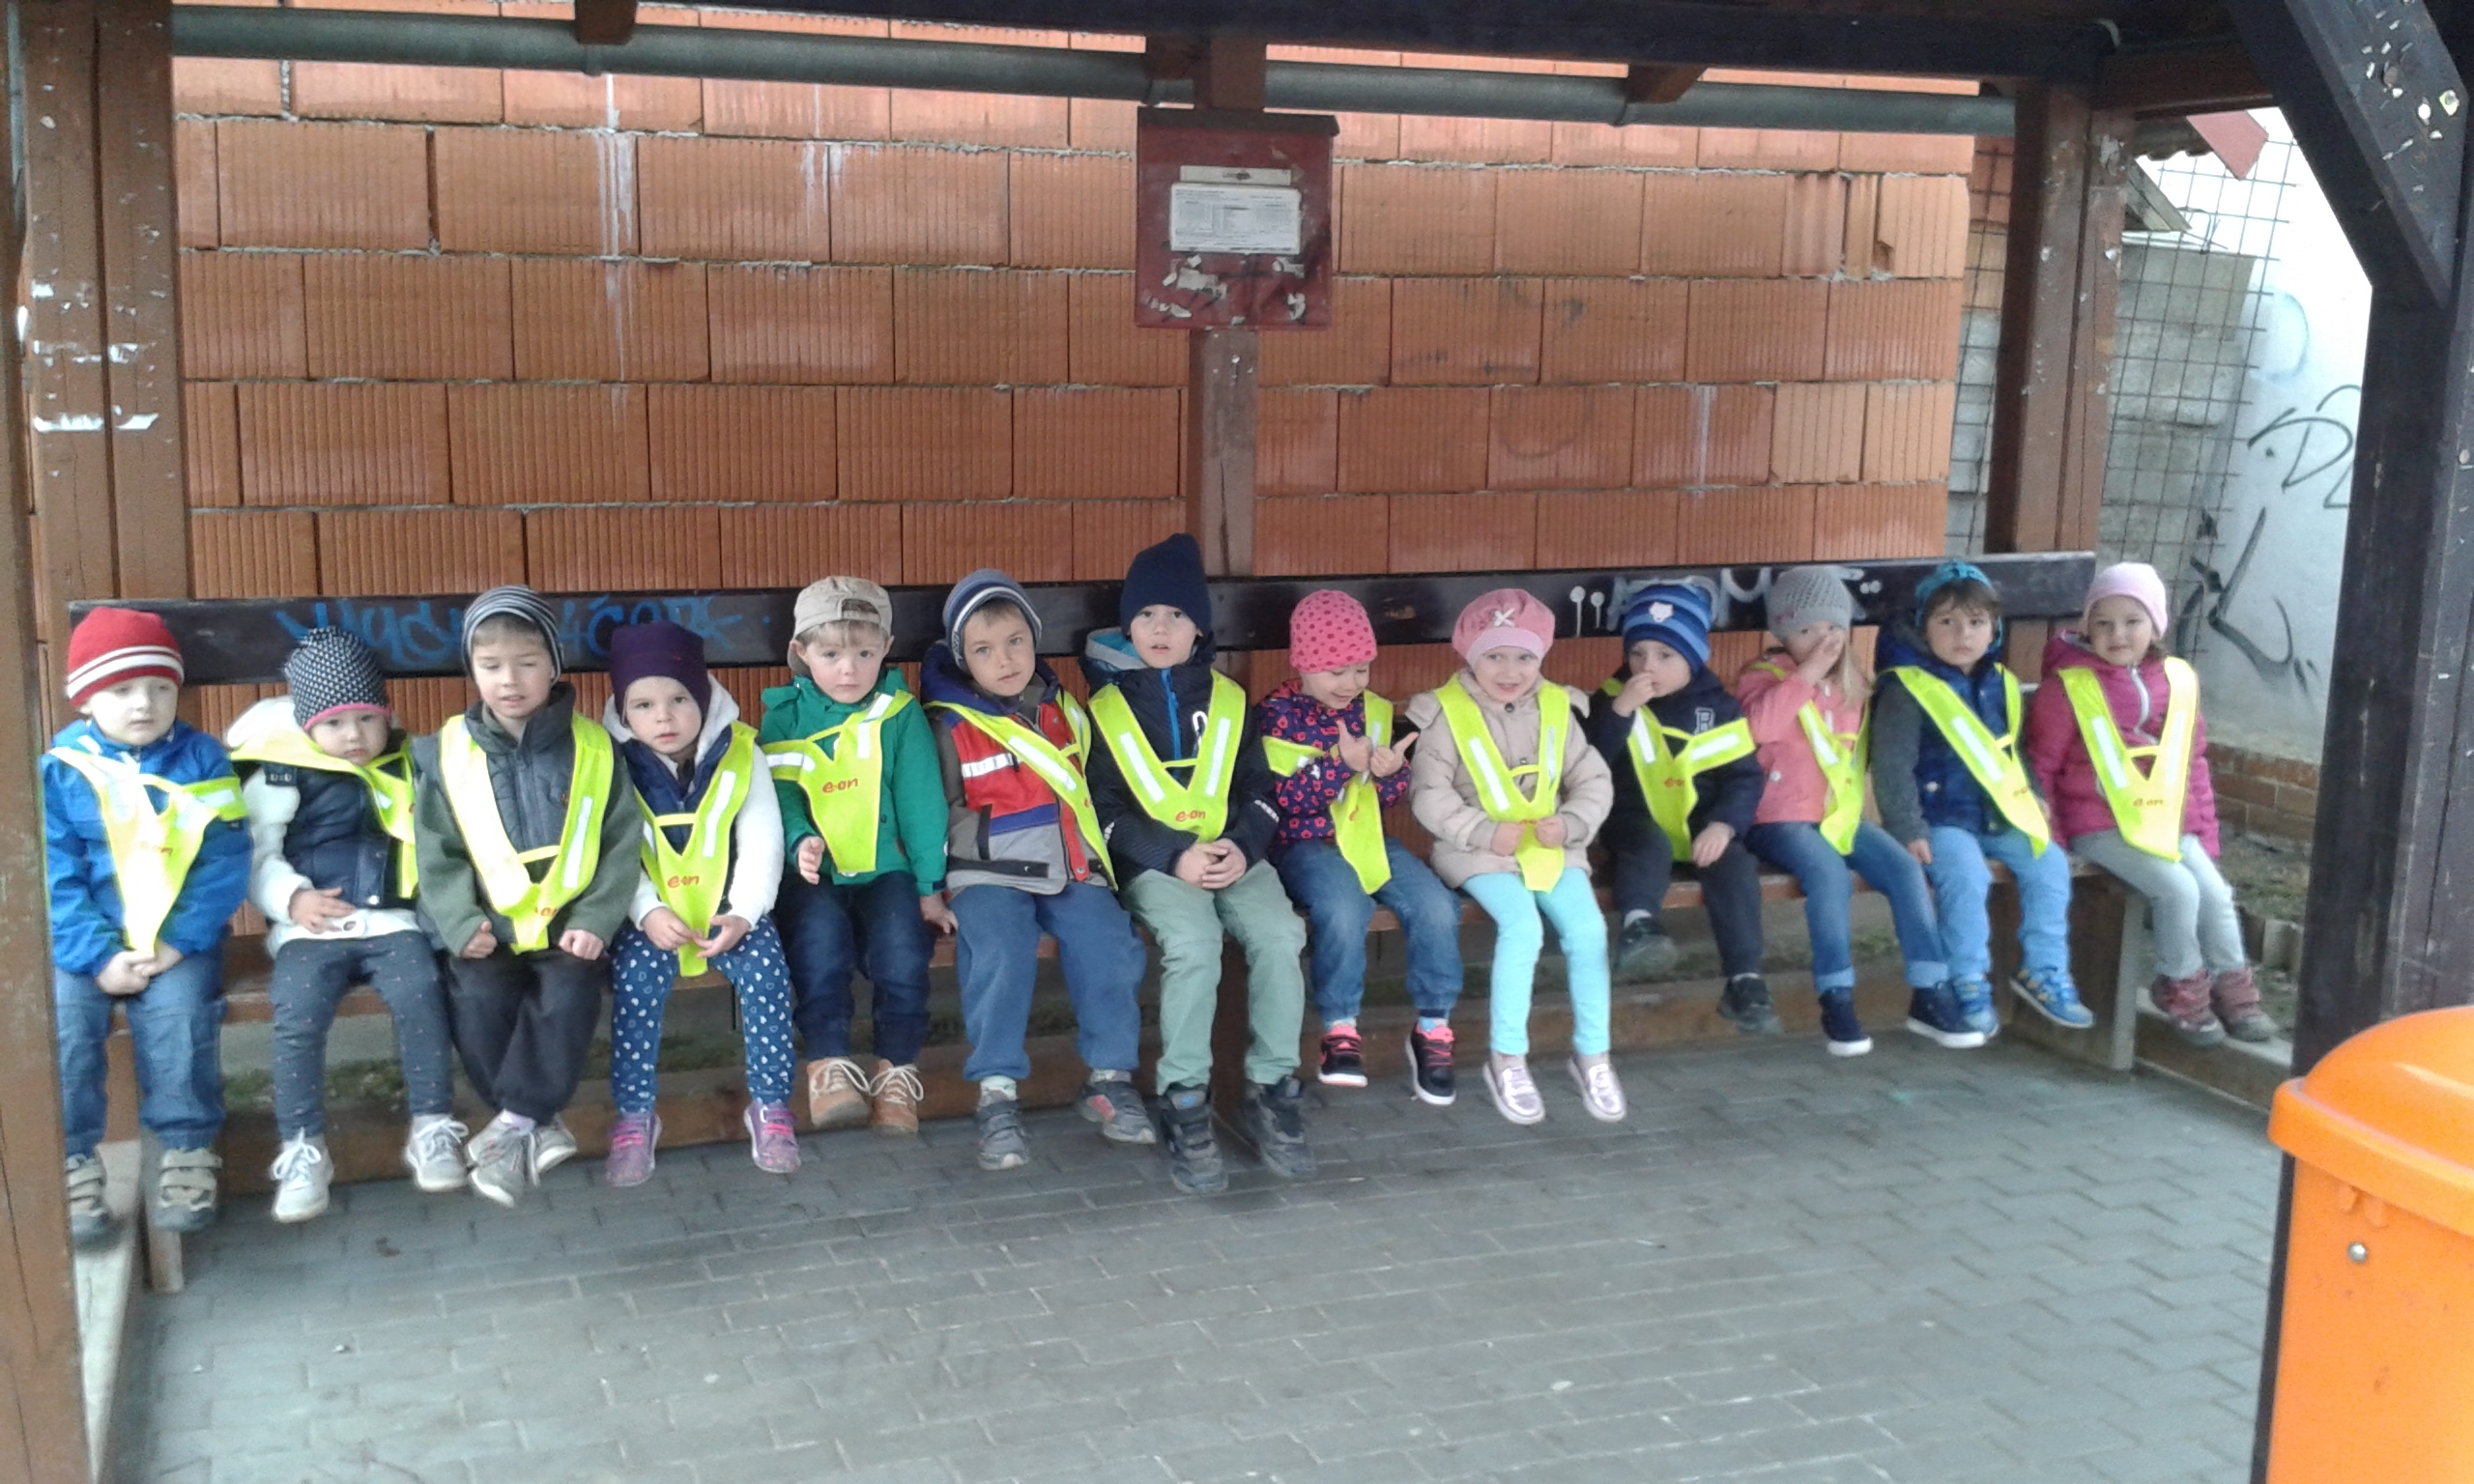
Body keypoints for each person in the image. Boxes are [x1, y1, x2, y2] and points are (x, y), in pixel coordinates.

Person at [1084, 534, 1310, 1195]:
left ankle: (1273, 1086)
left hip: (1234, 855)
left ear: (1200, 628)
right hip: (1157, 866)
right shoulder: (1103, 712)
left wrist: (1244, 845)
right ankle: (1184, 1098)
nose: (1161, 629)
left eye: (1178, 615)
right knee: (1194, 944)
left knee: (1280, 935)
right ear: (1128, 627)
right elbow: (1101, 812)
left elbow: (1261, 793)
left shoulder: (1232, 701)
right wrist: (1172, 856)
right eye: (1147, 615)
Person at [414, 586, 643, 1207]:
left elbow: (622, 842)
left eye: (527, 663)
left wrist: (597, 918)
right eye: (490, 666)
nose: (509, 681)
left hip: (571, 927)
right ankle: (532, 1123)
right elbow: (436, 851)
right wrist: (459, 921)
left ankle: (514, 1126)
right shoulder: (446, 754)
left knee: (568, 994)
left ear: (554, 667)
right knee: (476, 997)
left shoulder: (595, 748)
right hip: (488, 928)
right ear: (472, 670)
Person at [921, 570, 1154, 1172]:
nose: (1004, 660)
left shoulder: (1063, 711)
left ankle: (1109, 1078)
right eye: (983, 650)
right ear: (962, 659)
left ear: (1034, 640)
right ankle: (996, 1092)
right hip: (987, 873)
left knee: (1110, 942)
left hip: (1069, 866)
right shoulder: (949, 724)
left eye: (1015, 642)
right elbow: (931, 811)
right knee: (1000, 949)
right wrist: (934, 885)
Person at [227, 628, 461, 1222]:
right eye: (334, 723)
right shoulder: (283, 774)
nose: (353, 735)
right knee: (298, 1014)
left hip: (394, 923)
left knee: (422, 994)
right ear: (308, 726)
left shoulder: (406, 767)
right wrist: (291, 899)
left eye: (366, 719)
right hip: (313, 930)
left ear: (387, 718)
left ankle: (432, 1125)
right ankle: (302, 1147)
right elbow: (256, 852)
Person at [45, 608, 250, 1244]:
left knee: (181, 1019)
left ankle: (187, 1150)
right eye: (123, 690)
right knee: (64, 1027)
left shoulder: (203, 759)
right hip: (87, 943)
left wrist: (177, 942)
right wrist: (98, 956)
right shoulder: (60, 770)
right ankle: (72, 1160)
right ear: (85, 699)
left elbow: (224, 861)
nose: (144, 703)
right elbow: (53, 875)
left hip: (178, 939)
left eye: (161, 688)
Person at [1738, 566, 1981, 1056]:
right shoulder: (1763, 677)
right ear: (1783, 634)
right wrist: (1806, 675)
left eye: (1833, 628)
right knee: (1829, 876)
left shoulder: (1852, 686)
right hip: (1776, 819)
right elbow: (1758, 729)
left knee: (1905, 870)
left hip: (1839, 817)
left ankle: (1930, 988)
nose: (1822, 641)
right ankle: (1836, 996)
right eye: (1806, 631)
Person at [2027, 561, 2272, 1044]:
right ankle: (2181, 988)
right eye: (2103, 623)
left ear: (2156, 626)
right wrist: (2053, 839)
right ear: (2087, 627)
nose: (2118, 634)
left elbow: (2192, 764)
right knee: (2178, 891)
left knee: (2215, 894)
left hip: (2168, 823)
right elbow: (2042, 769)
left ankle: (2235, 992)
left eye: (2132, 621)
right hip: (2099, 826)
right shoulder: (2068, 687)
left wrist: (2204, 836)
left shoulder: (2177, 681)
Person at [1407, 588, 1623, 1125]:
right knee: (1522, 928)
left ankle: (1593, 1053)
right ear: (1469, 655)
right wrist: (1481, 830)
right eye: (1495, 656)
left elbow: (1592, 779)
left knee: (1588, 931)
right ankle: (1507, 1057)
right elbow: (1429, 793)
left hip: (1551, 847)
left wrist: (1572, 823)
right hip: (1477, 853)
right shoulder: (1444, 712)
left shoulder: (1557, 706)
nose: (1511, 671)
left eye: (1524, 657)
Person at [599, 620, 801, 1184]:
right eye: (643, 705)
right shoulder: (610, 761)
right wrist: (646, 910)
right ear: (623, 711)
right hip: (653, 918)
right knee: (636, 985)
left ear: (705, 697)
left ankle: (771, 1106)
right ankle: (635, 1116)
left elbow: (763, 838)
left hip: (729, 912)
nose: (663, 717)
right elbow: (613, 849)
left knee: (767, 976)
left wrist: (744, 911)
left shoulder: (741, 752)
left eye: (679, 699)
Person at [762, 577, 951, 1137]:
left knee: (903, 954)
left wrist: (929, 888)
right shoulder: (784, 717)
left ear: (886, 648)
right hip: (813, 873)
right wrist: (799, 839)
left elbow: (921, 803)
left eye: (865, 654)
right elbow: (778, 795)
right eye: (831, 655)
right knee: (819, 943)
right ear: (801, 653)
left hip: (885, 870)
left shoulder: (899, 714)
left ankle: (896, 1075)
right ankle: (829, 1067)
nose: (849, 670)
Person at [1872, 562, 2093, 1036]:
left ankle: (2045, 970)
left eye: (1976, 622)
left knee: (2050, 865)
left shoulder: (2001, 683)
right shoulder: (1905, 688)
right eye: (1946, 622)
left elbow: (2014, 752)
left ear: (1994, 629)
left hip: (2000, 815)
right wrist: (1907, 827)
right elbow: (1891, 766)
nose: (1962, 635)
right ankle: (1966, 979)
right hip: (1940, 820)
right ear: (1923, 627)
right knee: (1967, 878)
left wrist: (2034, 794)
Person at [1262, 589, 1466, 1103]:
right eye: (1336, 671)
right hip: (1304, 845)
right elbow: (1280, 801)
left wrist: (1390, 774)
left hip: (1368, 837)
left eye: (1360, 669)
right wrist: (1339, 766)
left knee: (1437, 905)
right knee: (1343, 906)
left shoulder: (1372, 710)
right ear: (1302, 663)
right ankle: (1340, 1027)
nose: (1351, 683)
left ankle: (1434, 1026)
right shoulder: (1276, 717)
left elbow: (1385, 798)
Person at [1583, 582, 1774, 1035]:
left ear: (1694, 656)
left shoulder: (1719, 707)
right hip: (1632, 818)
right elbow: (1585, 763)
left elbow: (1743, 777)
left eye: (1665, 655)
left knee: (1735, 866)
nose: (1647, 666)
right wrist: (1619, 712)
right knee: (1645, 845)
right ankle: (1640, 927)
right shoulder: (1612, 696)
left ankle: (1745, 978)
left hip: (1701, 826)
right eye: (1637, 653)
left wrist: (1724, 825)